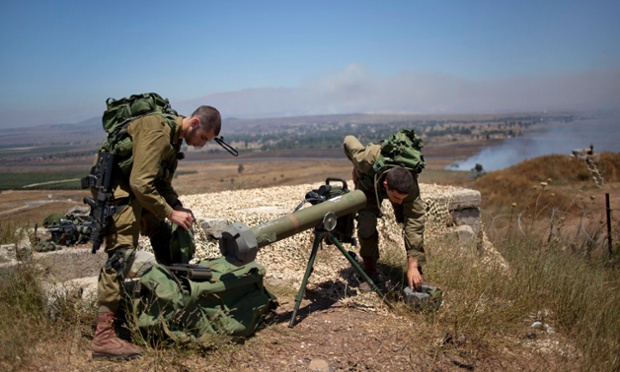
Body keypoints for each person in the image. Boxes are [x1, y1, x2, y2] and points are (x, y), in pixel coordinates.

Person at [91, 104, 221, 360]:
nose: (202, 145)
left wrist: (176, 206)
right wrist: (169, 212)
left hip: (138, 193)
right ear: (194, 122)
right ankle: (103, 337)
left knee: (168, 235)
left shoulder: (174, 138)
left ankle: (172, 303)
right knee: (122, 256)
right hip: (120, 194)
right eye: (203, 138)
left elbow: (160, 183)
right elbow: (140, 182)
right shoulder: (159, 132)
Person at [343, 135, 426, 293]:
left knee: (411, 223)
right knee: (366, 223)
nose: (399, 203)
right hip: (370, 187)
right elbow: (348, 140)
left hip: (392, 185)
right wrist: (356, 169)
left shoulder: (411, 186)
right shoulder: (366, 159)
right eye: (396, 198)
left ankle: (417, 272)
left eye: (403, 199)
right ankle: (370, 271)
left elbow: (415, 223)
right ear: (386, 185)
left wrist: (413, 264)